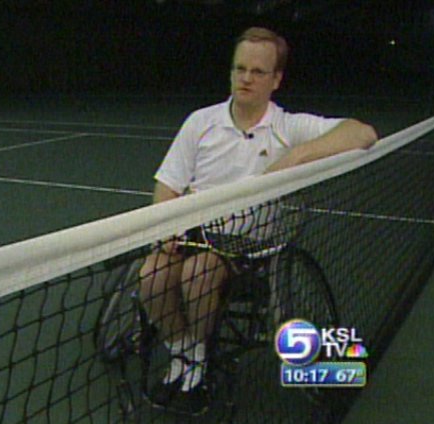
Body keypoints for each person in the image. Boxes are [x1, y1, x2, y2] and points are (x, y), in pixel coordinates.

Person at [139, 27, 378, 415]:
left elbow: (362, 132)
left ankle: (197, 363)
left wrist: (297, 157)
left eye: (257, 71)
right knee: (151, 276)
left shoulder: (288, 127)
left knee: (197, 275)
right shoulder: (200, 122)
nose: (246, 78)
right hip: (193, 234)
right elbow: (167, 185)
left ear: (276, 80)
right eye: (239, 69)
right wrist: (167, 229)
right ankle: (184, 352)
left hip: (251, 247)